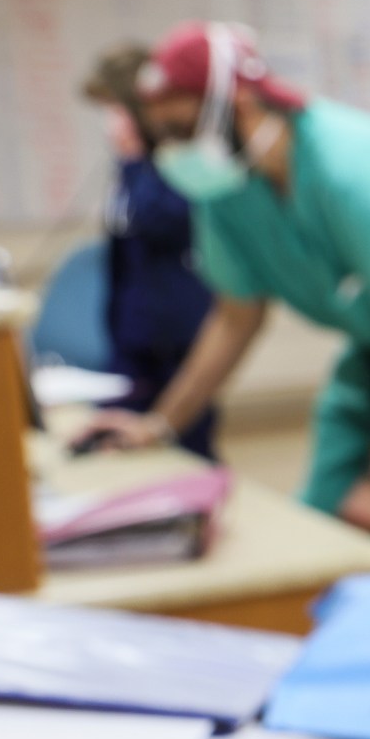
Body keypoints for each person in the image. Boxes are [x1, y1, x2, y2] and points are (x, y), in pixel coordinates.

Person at [74, 22, 370, 573]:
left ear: (235, 104)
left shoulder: (353, 171)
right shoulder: (225, 187)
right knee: (315, 525)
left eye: (177, 129)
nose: (168, 152)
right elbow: (234, 317)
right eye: (158, 136)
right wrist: (159, 425)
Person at [81, 46, 220, 458]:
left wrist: (137, 159)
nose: (111, 122)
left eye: (116, 110)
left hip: (175, 334)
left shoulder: (177, 161)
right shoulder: (131, 167)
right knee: (116, 434)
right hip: (132, 332)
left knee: (186, 443)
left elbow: (162, 220)